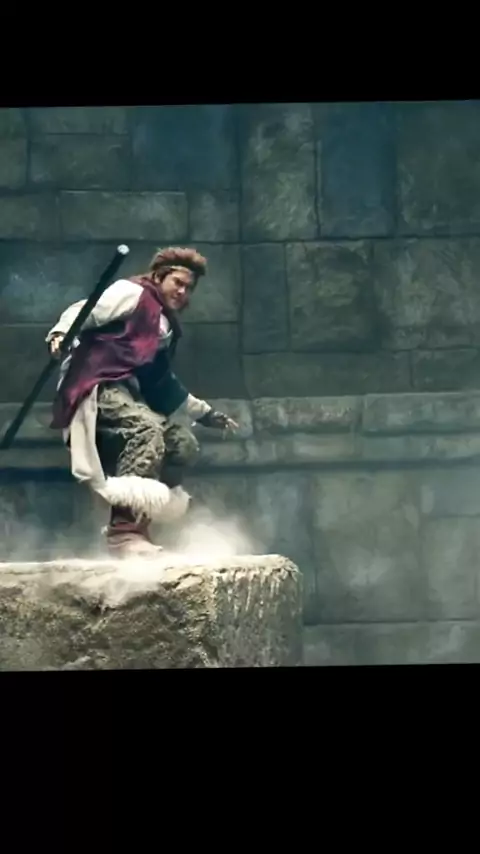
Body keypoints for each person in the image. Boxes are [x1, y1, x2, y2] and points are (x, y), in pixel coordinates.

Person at [46, 246, 237, 558]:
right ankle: (123, 533)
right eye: (178, 282)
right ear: (159, 276)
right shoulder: (131, 293)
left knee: (182, 444)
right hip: (96, 387)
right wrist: (60, 335)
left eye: (189, 288)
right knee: (145, 430)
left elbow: (162, 383)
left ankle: (140, 527)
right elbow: (85, 310)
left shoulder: (164, 327)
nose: (183, 292)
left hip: (129, 397)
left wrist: (206, 413)